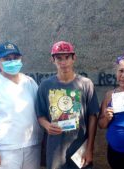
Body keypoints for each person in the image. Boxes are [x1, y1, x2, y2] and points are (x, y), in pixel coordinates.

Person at [36, 41, 99, 169]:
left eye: (67, 57)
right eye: (59, 58)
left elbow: (93, 117)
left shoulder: (86, 84)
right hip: (55, 150)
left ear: (73, 58)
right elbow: (40, 115)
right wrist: (47, 125)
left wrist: (90, 148)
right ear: (53, 60)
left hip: (79, 149)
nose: (63, 62)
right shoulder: (45, 85)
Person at [0, 42, 43, 169]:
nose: (12, 61)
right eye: (7, 59)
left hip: (32, 147)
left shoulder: (30, 82)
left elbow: (40, 112)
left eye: (15, 58)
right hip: (3, 151)